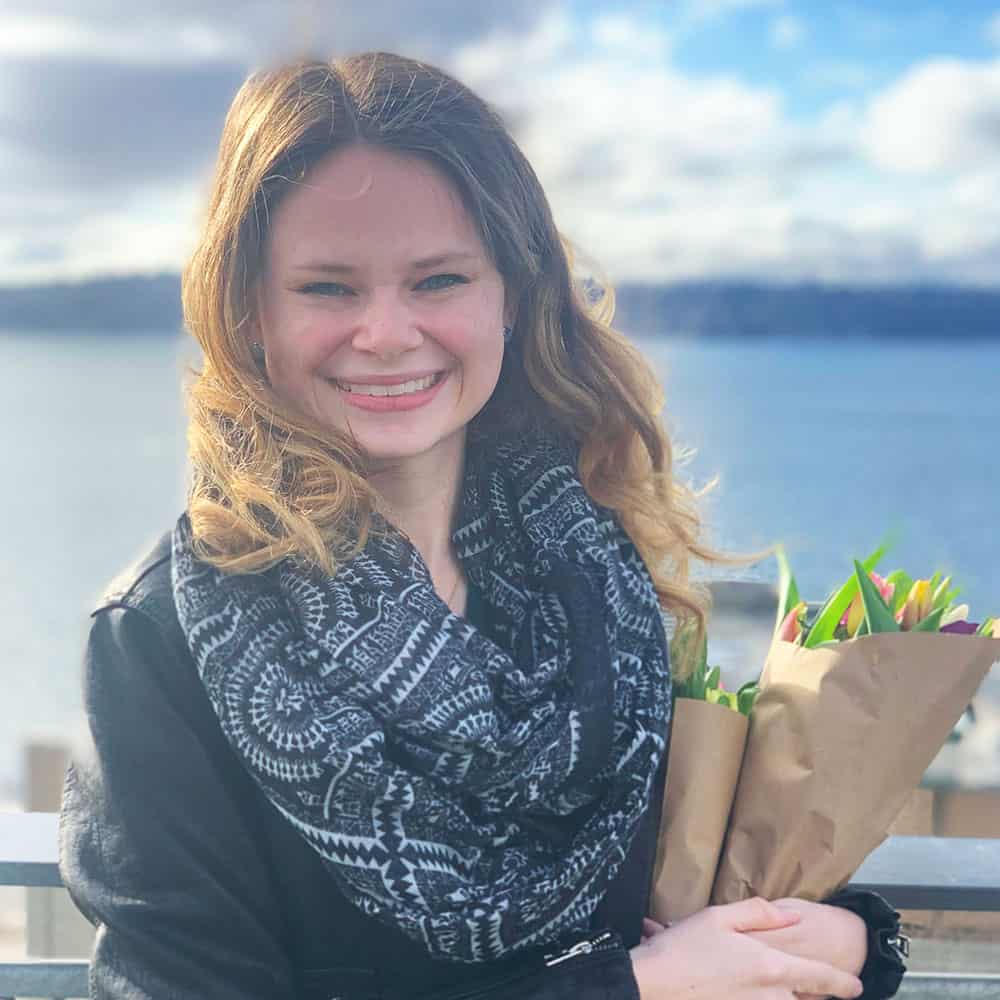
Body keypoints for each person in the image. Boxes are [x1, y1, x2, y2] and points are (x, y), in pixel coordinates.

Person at [59, 52, 906, 999]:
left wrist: (846, 943)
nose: (385, 333)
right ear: (251, 310)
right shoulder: (162, 637)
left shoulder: (594, 566)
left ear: (513, 296)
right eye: (328, 288)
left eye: (439, 280)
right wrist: (627, 990)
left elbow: (693, 886)